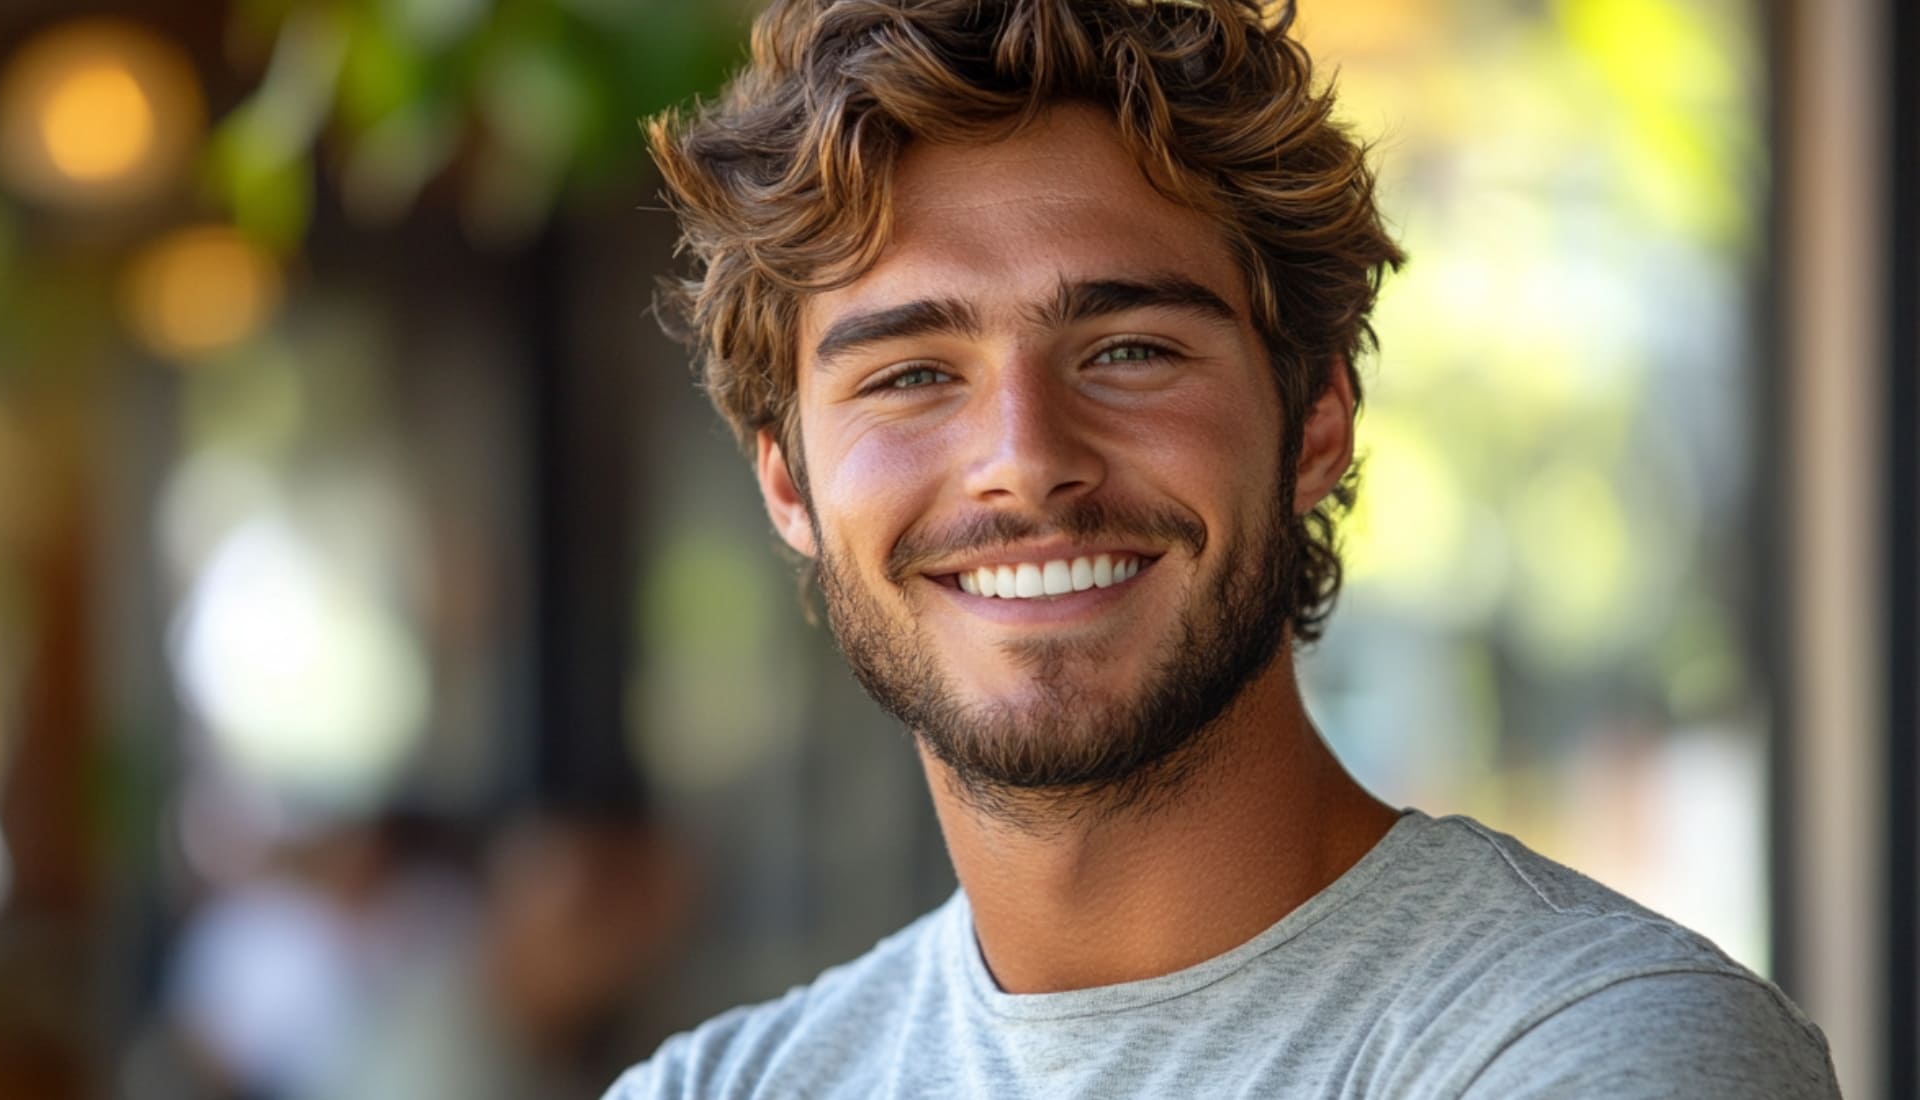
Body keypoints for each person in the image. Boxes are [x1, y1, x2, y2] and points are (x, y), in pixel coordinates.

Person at [611, 0, 1840, 1095]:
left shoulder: (1585, 1047)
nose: (1024, 456)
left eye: (1128, 349)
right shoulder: (713, 1082)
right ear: (787, 479)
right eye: (912, 373)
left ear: (1314, 421)